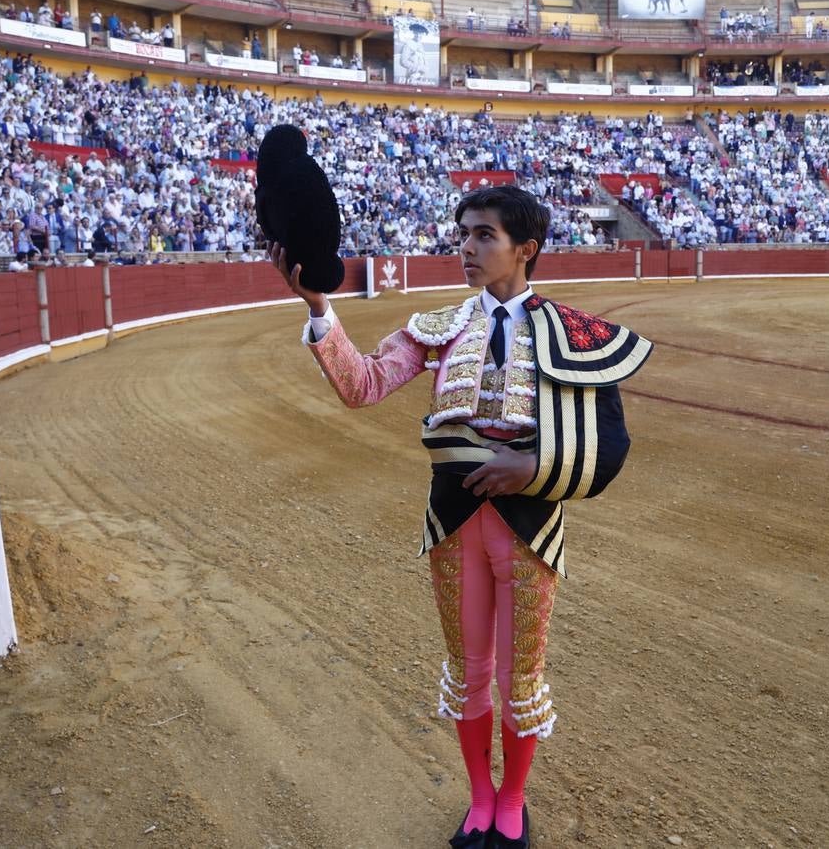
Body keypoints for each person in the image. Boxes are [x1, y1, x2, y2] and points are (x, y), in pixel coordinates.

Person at [269, 186, 652, 848]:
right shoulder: (439, 327)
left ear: (525, 249)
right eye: (462, 235)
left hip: (530, 526)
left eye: (483, 236)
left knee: (520, 677)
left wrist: (528, 470)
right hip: (453, 526)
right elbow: (363, 385)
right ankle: (480, 800)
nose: (466, 249)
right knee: (469, 670)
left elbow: (608, 444)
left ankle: (512, 803)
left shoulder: (573, 333)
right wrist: (319, 310)